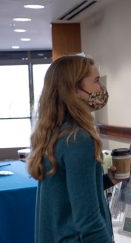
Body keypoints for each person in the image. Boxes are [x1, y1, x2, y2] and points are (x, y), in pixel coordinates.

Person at [27, 55, 123, 242]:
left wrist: (107, 180)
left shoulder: (54, 132)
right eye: (96, 81)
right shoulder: (79, 139)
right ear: (74, 90)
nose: (101, 88)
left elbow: (68, 192)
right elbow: (89, 222)